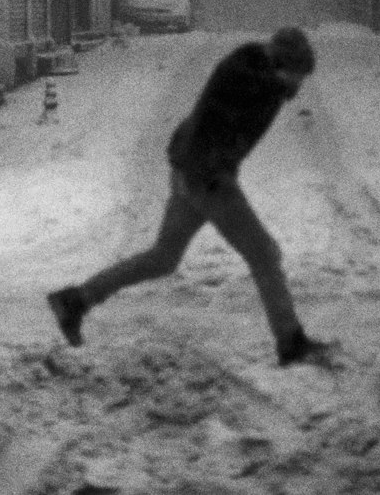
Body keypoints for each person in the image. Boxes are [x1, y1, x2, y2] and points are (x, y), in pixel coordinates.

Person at [47, 26, 335, 366]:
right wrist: (210, 173)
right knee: (265, 255)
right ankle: (291, 343)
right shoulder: (247, 79)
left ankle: (76, 301)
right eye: (297, 75)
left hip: (190, 173)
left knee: (163, 257)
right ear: (280, 64)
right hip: (208, 180)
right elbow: (214, 116)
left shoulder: (256, 76)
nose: (299, 86)